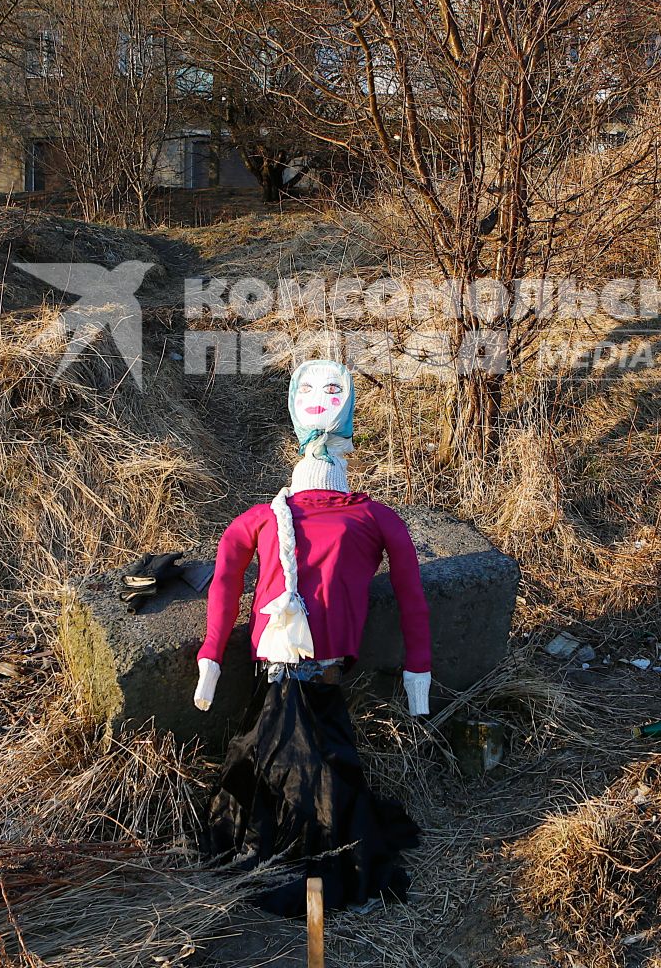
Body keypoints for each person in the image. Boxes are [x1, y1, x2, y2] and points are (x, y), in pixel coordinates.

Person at [194, 359, 431, 917]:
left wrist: (213, 655)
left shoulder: (298, 517)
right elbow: (412, 598)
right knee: (306, 778)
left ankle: (304, 869)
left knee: (300, 779)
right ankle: (310, 866)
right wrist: (209, 655)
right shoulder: (367, 518)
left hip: (303, 679)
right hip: (299, 679)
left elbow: (225, 582)